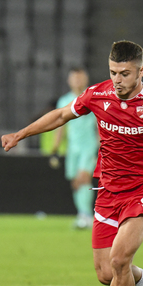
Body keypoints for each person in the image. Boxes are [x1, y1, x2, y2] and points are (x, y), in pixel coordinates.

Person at [1, 40, 143, 286]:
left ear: (141, 71)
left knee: (120, 258)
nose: (118, 80)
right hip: (108, 192)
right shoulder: (97, 94)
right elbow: (60, 116)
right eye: (113, 72)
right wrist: (20, 134)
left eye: (125, 74)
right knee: (107, 273)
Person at [51, 67, 99, 229]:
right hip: (73, 148)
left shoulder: (92, 99)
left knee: (83, 178)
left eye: (80, 78)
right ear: (69, 80)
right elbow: (60, 126)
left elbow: (99, 125)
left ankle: (86, 215)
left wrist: (102, 146)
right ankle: (82, 214)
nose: (77, 81)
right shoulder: (64, 101)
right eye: (74, 78)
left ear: (85, 79)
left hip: (88, 146)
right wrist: (55, 148)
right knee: (76, 182)